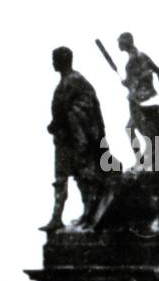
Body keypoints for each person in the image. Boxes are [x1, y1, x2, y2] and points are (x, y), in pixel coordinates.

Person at [43, 46, 109, 231]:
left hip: (77, 138)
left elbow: (68, 109)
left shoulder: (73, 80)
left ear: (63, 61)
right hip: (66, 138)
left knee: (83, 176)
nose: (53, 62)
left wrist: (55, 124)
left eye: (55, 59)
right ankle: (57, 218)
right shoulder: (67, 81)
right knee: (63, 177)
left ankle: (89, 215)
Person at [117, 32, 159, 156]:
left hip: (140, 101)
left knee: (144, 131)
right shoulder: (142, 55)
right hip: (148, 97)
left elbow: (137, 81)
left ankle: (144, 159)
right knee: (132, 129)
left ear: (125, 43)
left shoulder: (133, 60)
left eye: (119, 42)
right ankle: (142, 159)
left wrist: (128, 83)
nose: (118, 44)